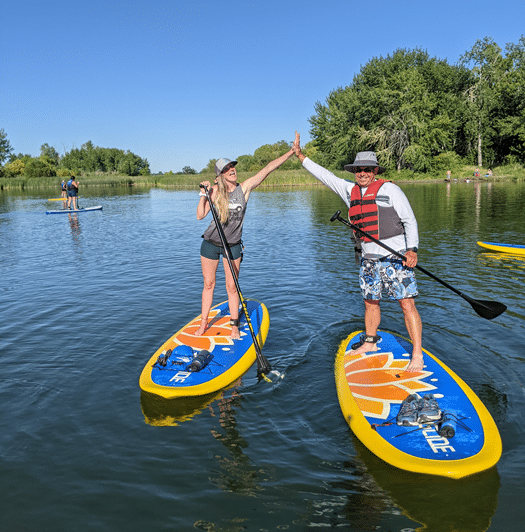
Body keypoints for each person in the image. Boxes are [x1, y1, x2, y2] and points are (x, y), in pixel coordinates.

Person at [292, 132, 423, 372]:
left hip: (395, 257)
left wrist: (412, 249)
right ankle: (370, 343)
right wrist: (301, 156)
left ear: (375, 171)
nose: (362, 173)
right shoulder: (348, 190)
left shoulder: (391, 191)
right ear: (354, 171)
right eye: (358, 169)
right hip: (368, 259)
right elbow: (325, 176)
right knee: (370, 302)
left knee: (406, 304)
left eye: (367, 169)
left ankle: (417, 355)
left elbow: (410, 221)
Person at [196, 148, 295, 339]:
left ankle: (234, 326)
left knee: (232, 287)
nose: (232, 169)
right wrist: (203, 194)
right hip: (210, 243)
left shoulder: (244, 189)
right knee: (209, 284)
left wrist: (291, 152)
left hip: (232, 245)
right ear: (220, 175)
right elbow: (200, 215)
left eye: (232, 166)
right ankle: (203, 324)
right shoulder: (215, 191)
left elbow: (267, 169)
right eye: (226, 168)